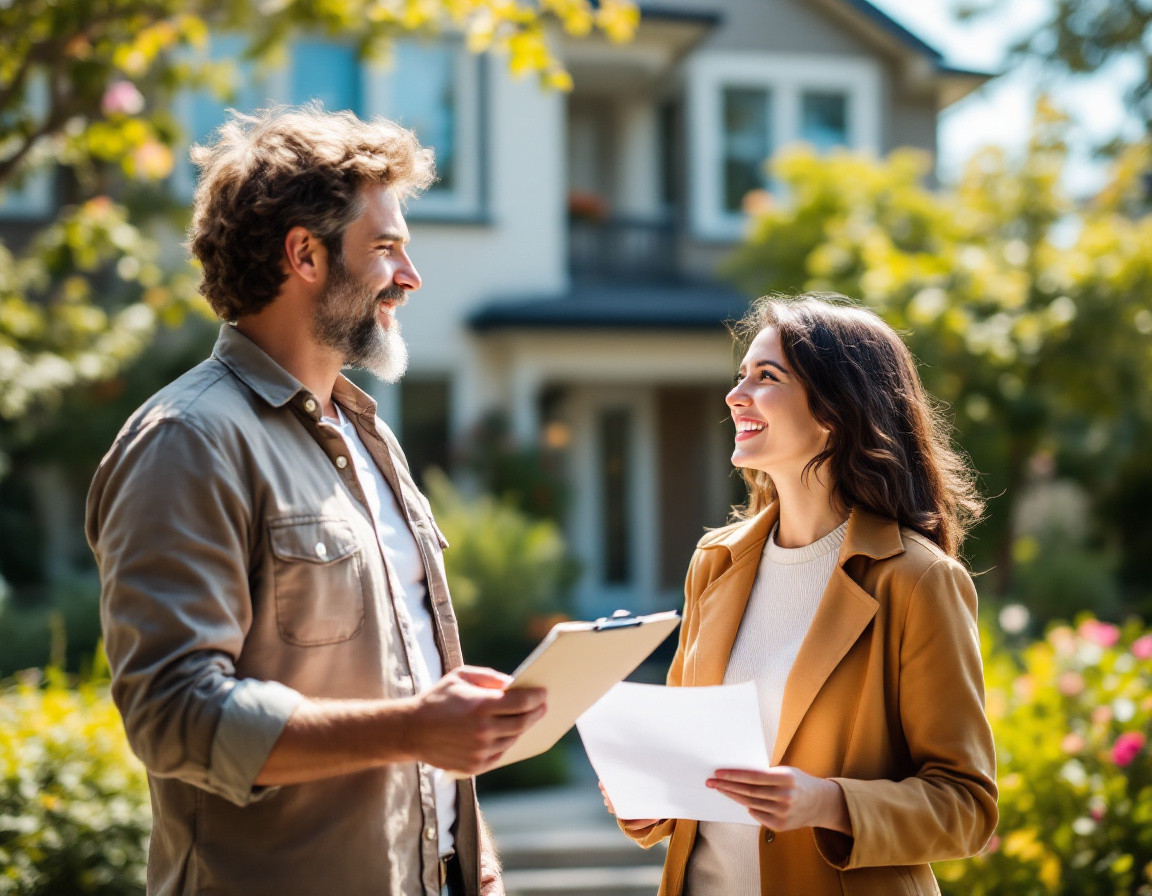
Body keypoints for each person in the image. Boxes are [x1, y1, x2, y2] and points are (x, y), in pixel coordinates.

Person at [85, 106, 546, 896]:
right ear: (304, 253)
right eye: (387, 248)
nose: (411, 276)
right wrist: (413, 729)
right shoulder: (188, 440)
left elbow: (416, 678)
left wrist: (477, 861)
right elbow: (171, 714)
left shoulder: (370, 435)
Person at [604, 294, 998, 895]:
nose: (736, 396)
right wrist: (649, 800)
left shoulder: (918, 581)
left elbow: (966, 807)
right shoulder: (715, 563)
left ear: (836, 413)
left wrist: (828, 804)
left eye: (767, 377)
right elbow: (691, 766)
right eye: (741, 376)